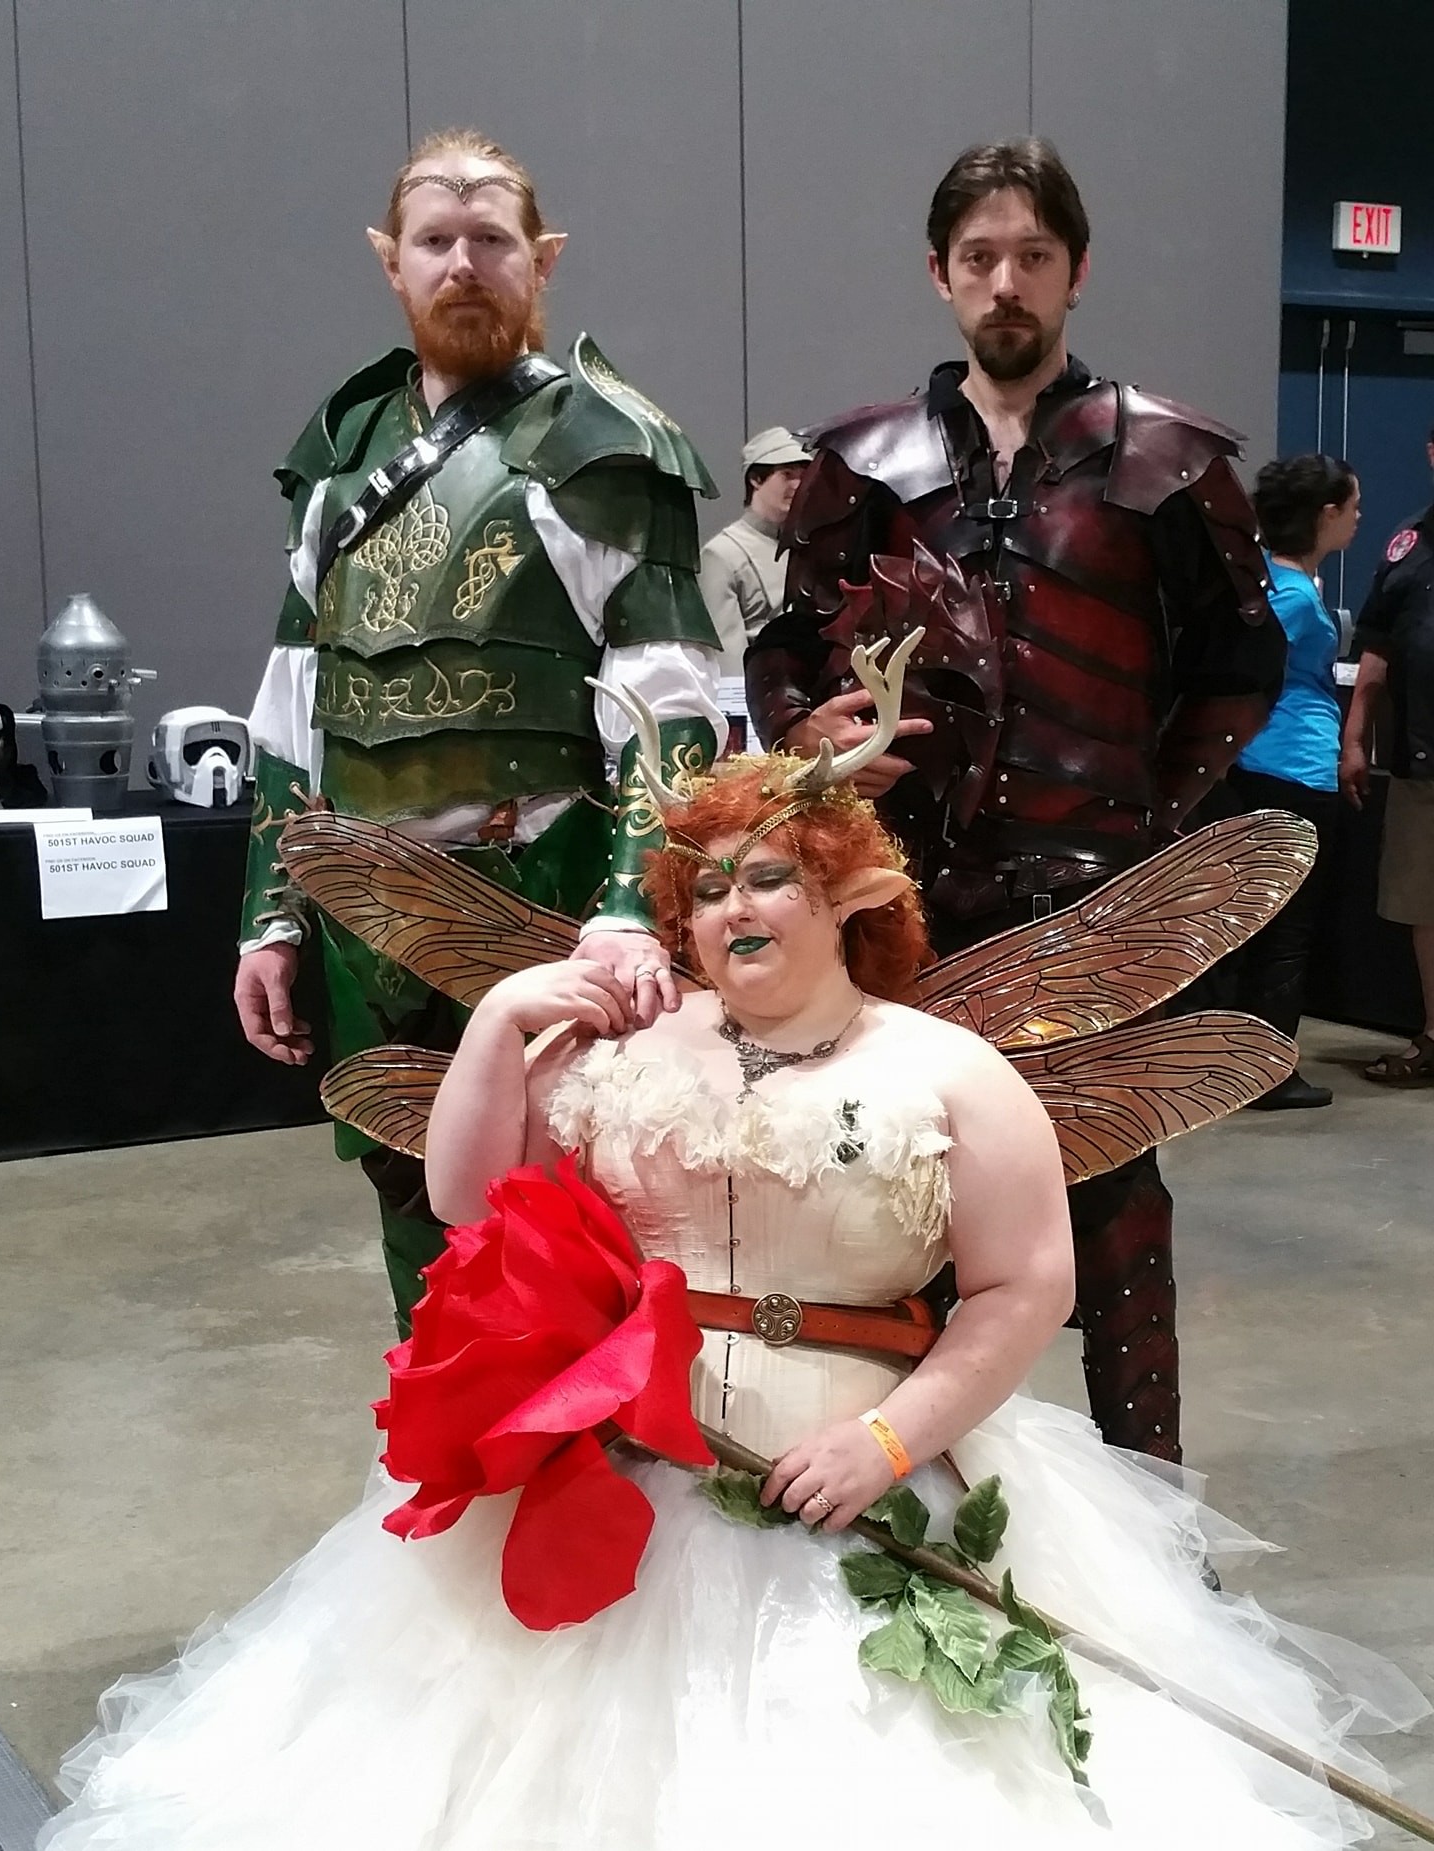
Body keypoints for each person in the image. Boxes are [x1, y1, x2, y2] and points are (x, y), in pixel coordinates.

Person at [39, 714, 1422, 1848]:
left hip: (861, 1470)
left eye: (766, 878)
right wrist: (510, 1014)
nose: (731, 908)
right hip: (618, 1466)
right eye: (702, 889)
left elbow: (1021, 1291)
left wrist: (890, 1439)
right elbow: (465, 1197)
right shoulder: (612, 1050)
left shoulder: (950, 1073)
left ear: (849, 897)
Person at [745, 139, 1283, 1461]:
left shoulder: (1170, 458)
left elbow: (1241, 663)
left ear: (1075, 271)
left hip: (1090, 899)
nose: (1005, 283)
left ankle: (1148, 1505)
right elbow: (783, 655)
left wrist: (1153, 815)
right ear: (938, 273)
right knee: (895, 1201)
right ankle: (906, 1485)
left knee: (1115, 1206)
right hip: (904, 904)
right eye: (979, 257)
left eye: (1032, 256)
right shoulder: (860, 463)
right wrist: (811, 736)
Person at [231, 129, 724, 1330]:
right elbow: (292, 702)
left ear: (541, 259)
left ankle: (593, 1455)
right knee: (414, 1216)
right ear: (388, 260)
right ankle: (449, 1444)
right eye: (435, 240)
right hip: (365, 919)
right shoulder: (341, 454)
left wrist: (628, 909)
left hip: (545, 901)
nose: (462, 264)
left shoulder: (605, 445)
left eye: (490, 240)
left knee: (576, 1226)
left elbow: (670, 705)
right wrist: (271, 914)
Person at [1204, 456, 1358, 1109]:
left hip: (1270, 763)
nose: (1358, 519)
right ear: (1327, 513)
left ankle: (1241, 1062)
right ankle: (1266, 1072)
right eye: (1353, 506)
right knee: (1286, 925)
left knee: (1258, 921)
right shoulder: (1290, 597)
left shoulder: (1276, 582)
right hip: (1291, 767)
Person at [1342, 431, 1434, 1087]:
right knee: (1425, 905)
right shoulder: (1409, 542)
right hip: (1421, 759)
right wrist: (1355, 739)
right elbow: (1375, 650)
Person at [698, 424, 814, 671]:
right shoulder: (722, 554)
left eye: (803, 475)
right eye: (787, 474)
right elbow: (728, 659)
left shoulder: (810, 548)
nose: (798, 484)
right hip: (760, 684)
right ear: (756, 479)